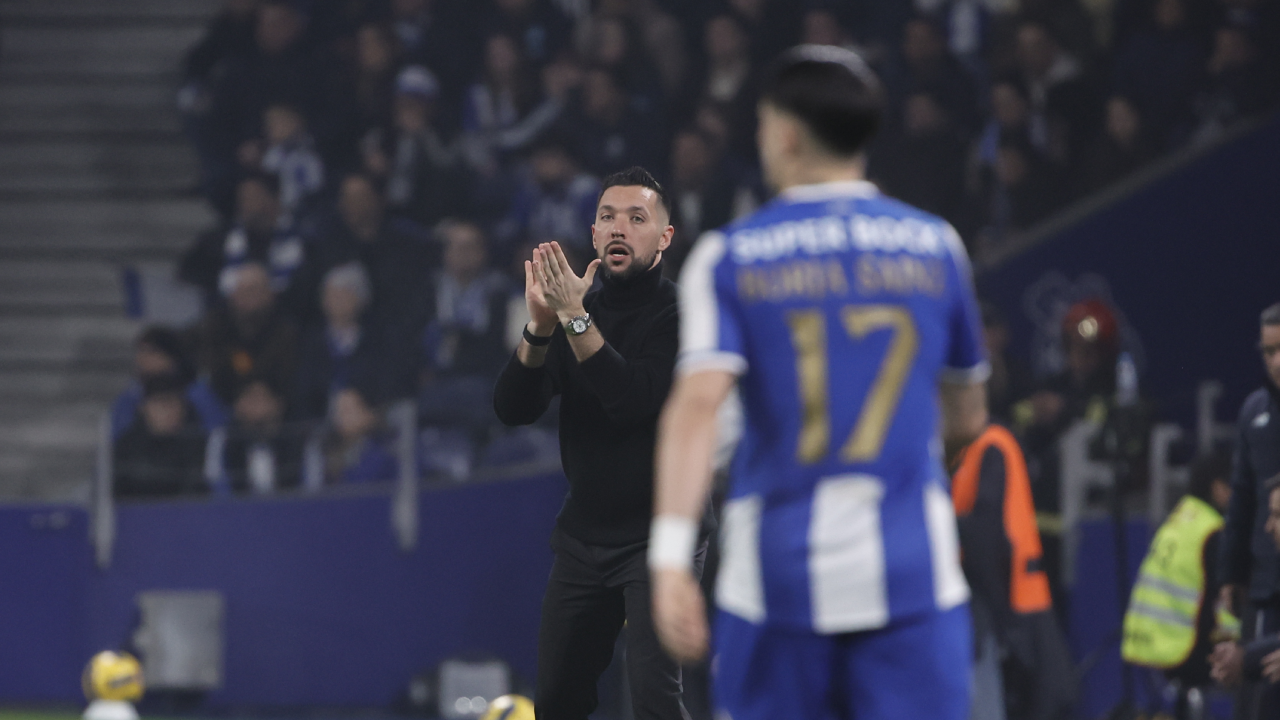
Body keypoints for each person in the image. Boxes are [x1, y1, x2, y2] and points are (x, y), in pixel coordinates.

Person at [649, 46, 989, 720]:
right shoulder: (937, 246)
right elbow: (968, 418)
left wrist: (667, 560)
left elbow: (695, 412)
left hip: (773, 584)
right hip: (914, 575)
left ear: (785, 134)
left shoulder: (729, 257)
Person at [492, 166, 701, 720]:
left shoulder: (682, 313)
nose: (618, 228)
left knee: (655, 698)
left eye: (636, 218)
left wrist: (574, 318)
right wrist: (541, 326)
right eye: (607, 217)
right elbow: (513, 409)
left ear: (665, 237)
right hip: (585, 535)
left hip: (660, 534)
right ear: (593, 233)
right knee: (558, 701)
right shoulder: (576, 311)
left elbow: (631, 399)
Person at [952, 423, 1075, 720]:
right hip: (994, 606)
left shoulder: (990, 446)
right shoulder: (962, 453)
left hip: (1006, 608)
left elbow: (986, 539)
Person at [1122, 451, 1234, 720]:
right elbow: (1226, 604)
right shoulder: (1212, 531)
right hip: (1182, 649)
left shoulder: (1179, 519)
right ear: (1219, 488)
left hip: (1146, 642)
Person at [1217, 303, 1280, 718]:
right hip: (1265, 585)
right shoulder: (1255, 412)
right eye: (1268, 351)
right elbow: (1240, 501)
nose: (1276, 362)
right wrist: (1231, 575)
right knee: (1257, 703)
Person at [195, 261, 299, 406]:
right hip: (223, 399)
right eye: (240, 290)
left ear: (269, 294)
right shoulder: (215, 325)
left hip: (271, 403)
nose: (245, 297)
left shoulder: (286, 331)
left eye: (252, 290)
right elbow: (210, 365)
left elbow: (287, 376)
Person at [111, 326, 227, 439]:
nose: (142, 359)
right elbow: (120, 434)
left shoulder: (197, 393)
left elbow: (216, 430)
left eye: (152, 352)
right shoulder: (132, 396)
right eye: (140, 352)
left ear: (170, 356)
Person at [113, 374, 210, 499]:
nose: (169, 412)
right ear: (144, 408)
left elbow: (195, 490)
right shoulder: (126, 446)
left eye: (175, 404)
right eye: (162, 404)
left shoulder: (196, 442)